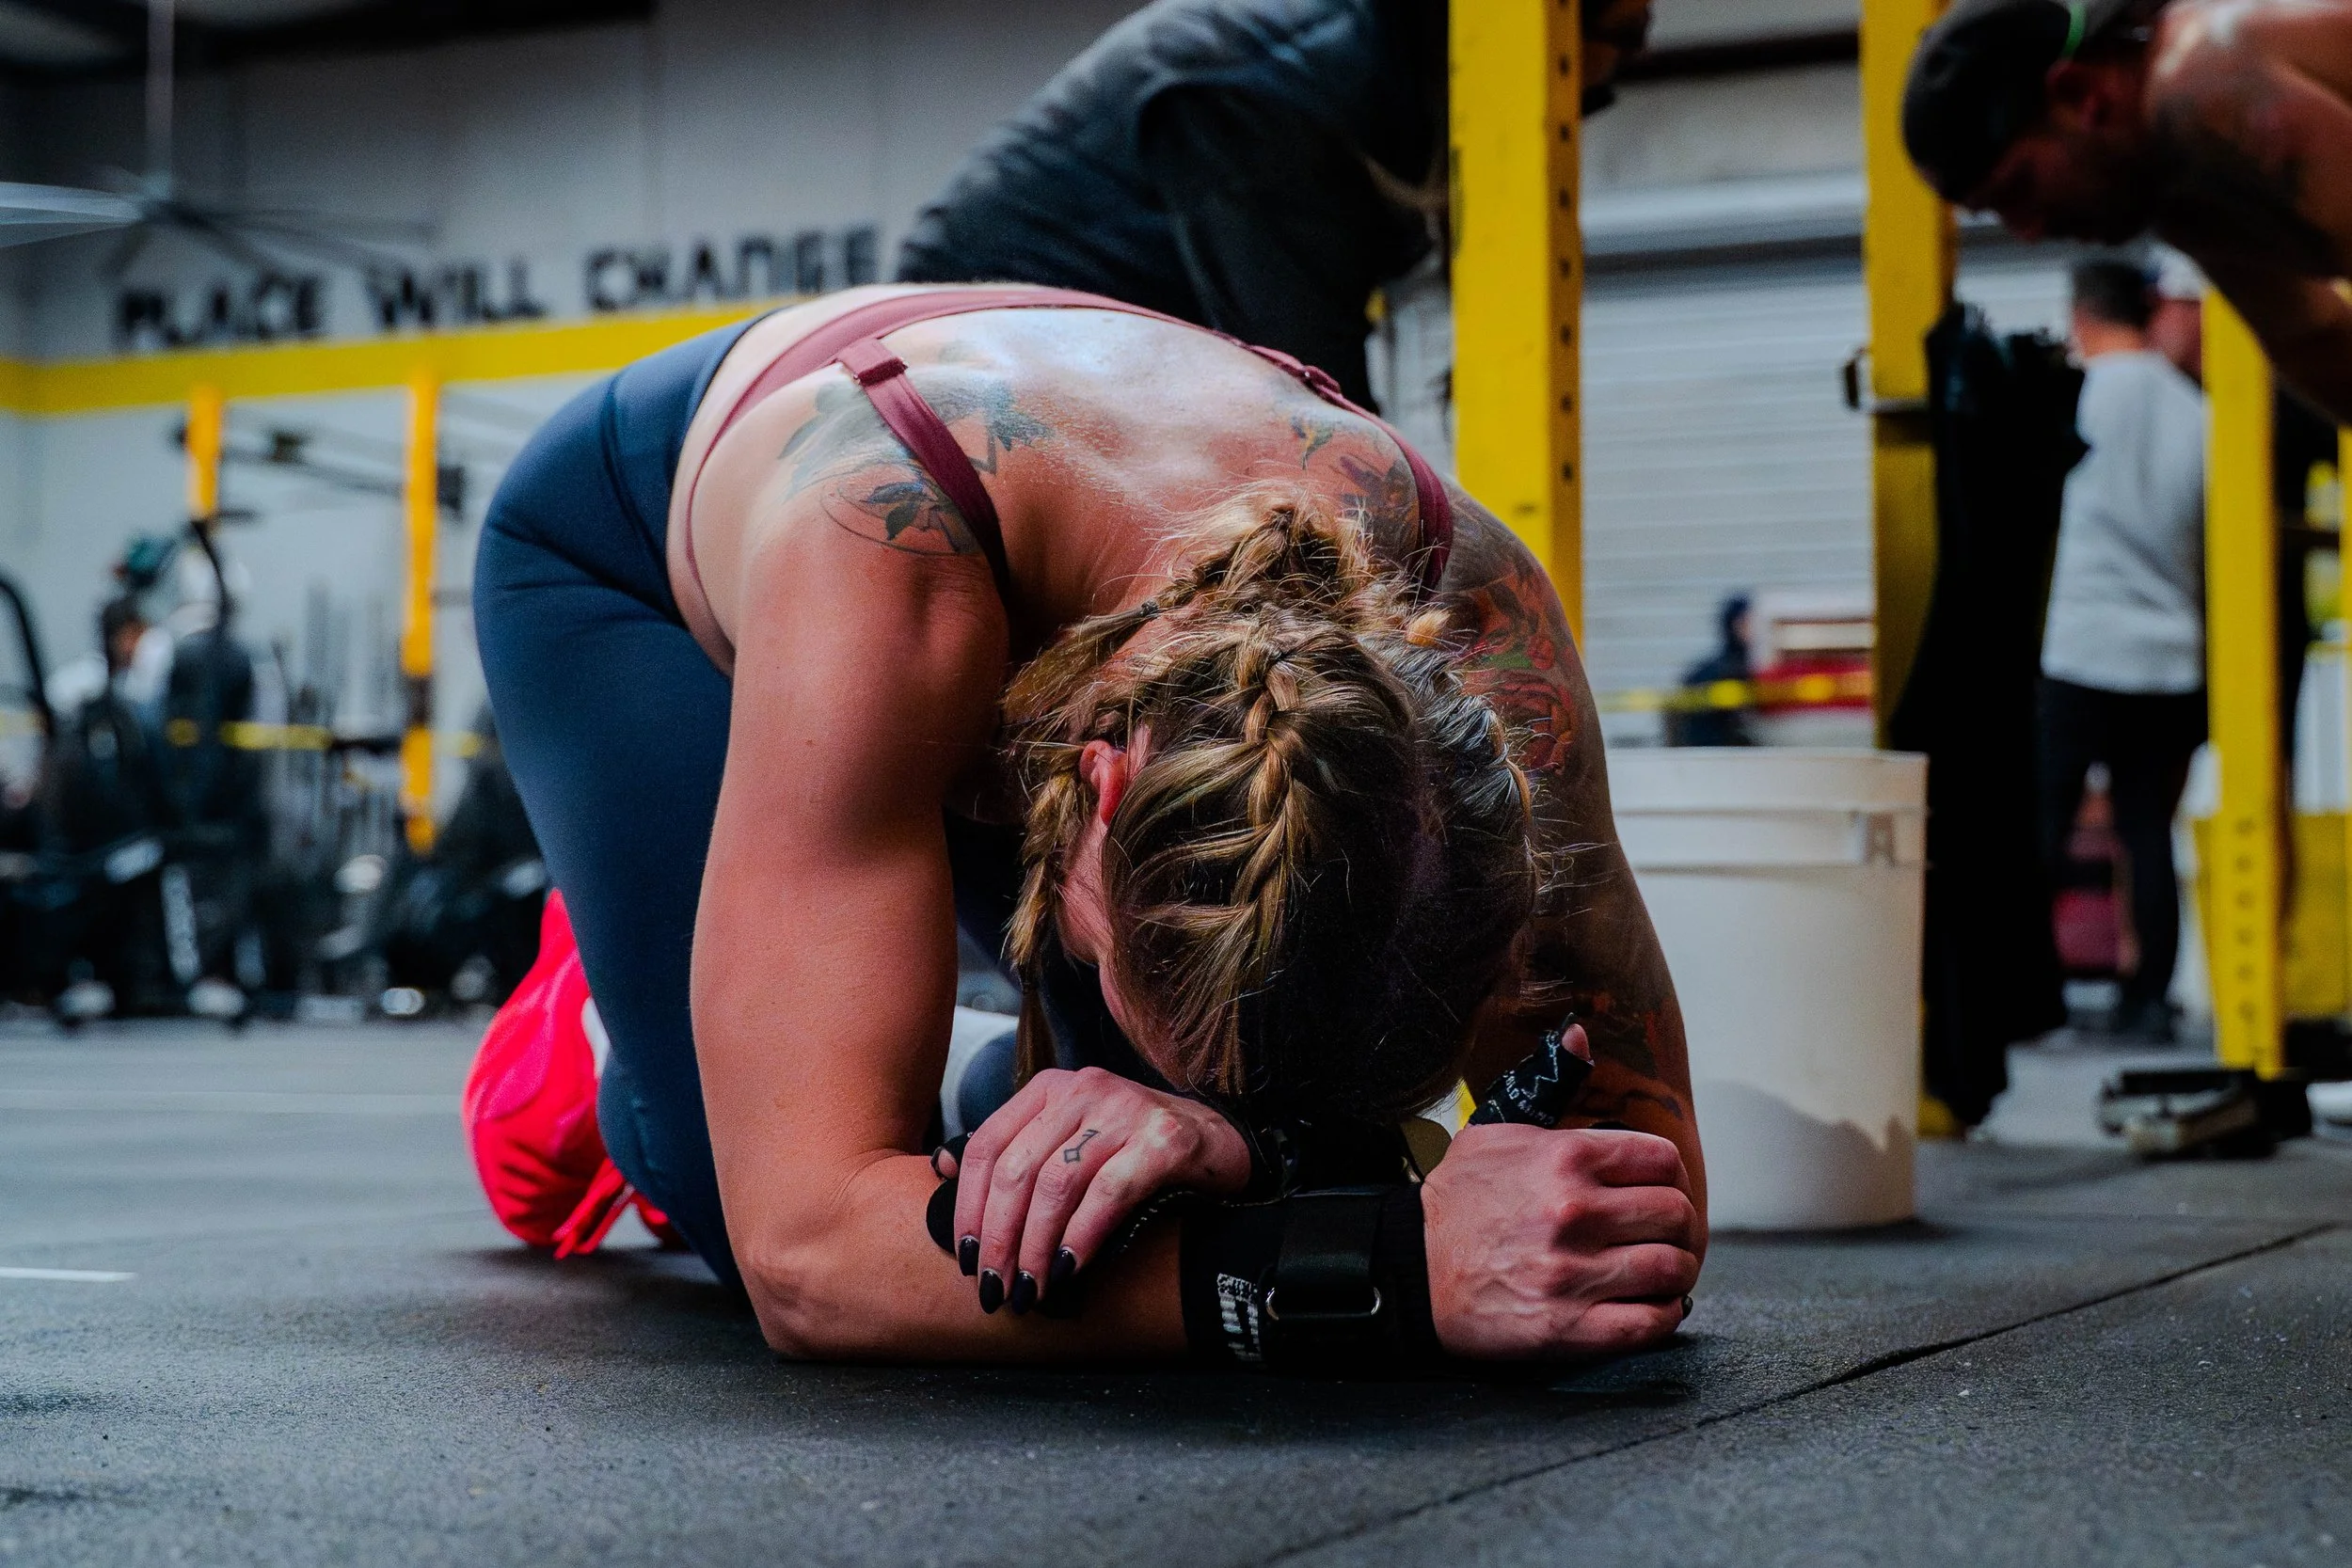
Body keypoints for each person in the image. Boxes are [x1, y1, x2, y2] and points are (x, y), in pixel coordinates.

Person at [472, 282, 1704, 1369]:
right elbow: (811, 1256)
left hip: (1071, 570)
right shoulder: (878, 568)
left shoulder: (1485, 663)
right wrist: (1371, 1266)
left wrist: (1241, 1145)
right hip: (640, 558)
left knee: (1093, 1192)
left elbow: (1644, 1186)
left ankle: (969, 1032)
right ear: (1096, 797)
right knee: (730, 1206)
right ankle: (628, 990)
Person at [897, 0, 1656, 408]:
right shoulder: (1282, 88)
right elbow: (1308, 383)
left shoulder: (1399, 82)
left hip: (1077, 340)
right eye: (1625, 36)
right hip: (982, 335)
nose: (1612, 76)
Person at [1902, 0, 2352, 427]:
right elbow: (2311, 338)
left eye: (2019, 188)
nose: (2029, 232)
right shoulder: (2171, 187)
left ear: (2081, 93)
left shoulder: (2198, 87)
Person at [2036, 258, 2207, 1043]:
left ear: (2080, 317)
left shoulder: (2075, 396)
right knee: (2146, 831)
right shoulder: (2197, 409)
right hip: (2170, 658)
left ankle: (2029, 996)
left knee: (2041, 825)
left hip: (2077, 645)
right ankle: (2146, 1000)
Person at [1664, 594, 1756, 748]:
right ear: (1733, 625)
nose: (1754, 629)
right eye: (1747, 622)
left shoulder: (1747, 666)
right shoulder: (1718, 671)